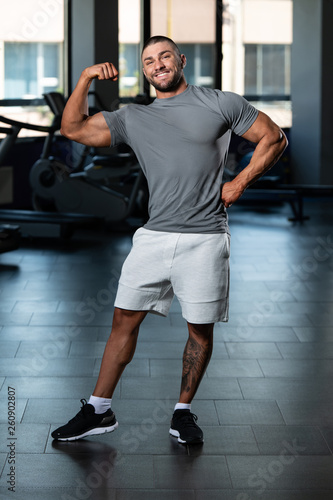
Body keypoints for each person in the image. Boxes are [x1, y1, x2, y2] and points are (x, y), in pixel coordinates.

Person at [51, 35, 287, 445]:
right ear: (144, 71)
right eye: (148, 61)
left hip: (206, 238)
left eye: (164, 56)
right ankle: (98, 410)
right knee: (123, 320)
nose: (157, 64)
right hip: (154, 237)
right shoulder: (133, 118)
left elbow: (275, 137)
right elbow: (71, 128)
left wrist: (240, 181)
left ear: (180, 60)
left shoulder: (221, 103)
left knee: (200, 330)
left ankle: (183, 412)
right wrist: (87, 76)